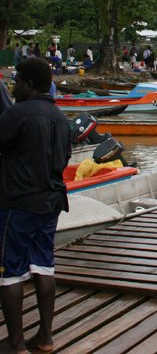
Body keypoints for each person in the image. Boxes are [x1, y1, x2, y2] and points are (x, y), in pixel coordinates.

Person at [0, 58, 70, 353]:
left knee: (10, 271)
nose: (13, 87)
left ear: (29, 84)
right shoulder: (61, 117)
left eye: (16, 81)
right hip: (51, 202)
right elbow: (64, 160)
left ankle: (15, 342)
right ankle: (45, 337)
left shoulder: (17, 114)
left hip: (17, 203)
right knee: (44, 267)